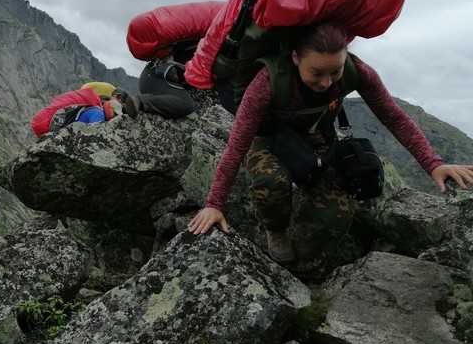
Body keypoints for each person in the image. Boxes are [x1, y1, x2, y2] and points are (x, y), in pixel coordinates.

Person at [187, 22, 473, 264]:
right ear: (296, 57)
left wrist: (433, 164)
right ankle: (276, 231)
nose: (326, 83)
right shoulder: (267, 82)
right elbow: (236, 146)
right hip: (269, 136)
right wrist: (214, 204)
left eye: (334, 72)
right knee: (269, 183)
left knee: (338, 209)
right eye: (317, 73)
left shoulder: (357, 71)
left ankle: (306, 263)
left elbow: (394, 118)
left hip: (317, 136)